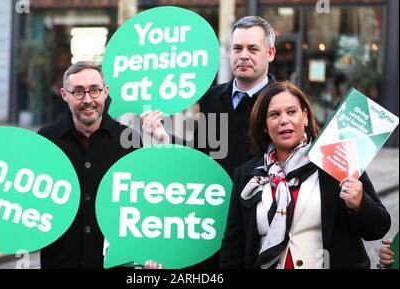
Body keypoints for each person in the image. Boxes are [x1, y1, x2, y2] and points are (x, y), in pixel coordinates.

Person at [219, 81, 391, 269]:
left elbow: (379, 227)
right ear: (264, 126)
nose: (284, 120)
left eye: (291, 112)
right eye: (274, 114)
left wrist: (359, 203)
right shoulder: (246, 175)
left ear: (306, 116)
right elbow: (232, 248)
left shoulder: (336, 160)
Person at [37, 61, 145, 269]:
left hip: (114, 264)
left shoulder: (128, 140)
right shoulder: (46, 140)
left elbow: (144, 201)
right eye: (78, 92)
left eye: (94, 90)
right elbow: (24, 200)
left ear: (105, 92)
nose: (88, 100)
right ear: (64, 94)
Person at [142, 15, 276, 178]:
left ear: (270, 53)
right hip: (214, 198)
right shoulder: (212, 97)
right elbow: (201, 154)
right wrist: (164, 137)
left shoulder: (281, 102)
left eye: (253, 49)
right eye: (237, 48)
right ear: (229, 52)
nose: (243, 56)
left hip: (259, 201)